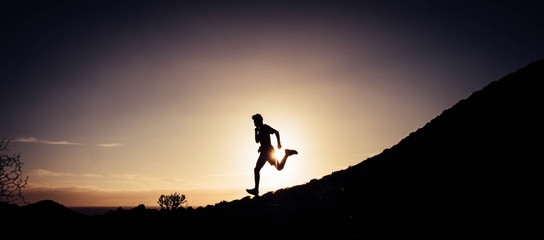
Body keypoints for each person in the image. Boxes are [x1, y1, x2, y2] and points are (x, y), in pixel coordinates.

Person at [246, 114, 298, 196]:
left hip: (267, 152)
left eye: (255, 122)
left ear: (259, 121)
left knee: (256, 169)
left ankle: (256, 190)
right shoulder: (259, 129)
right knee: (279, 167)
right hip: (266, 151)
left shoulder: (266, 127)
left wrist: (279, 144)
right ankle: (287, 154)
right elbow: (257, 141)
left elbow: (276, 132)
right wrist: (256, 132)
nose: (254, 124)